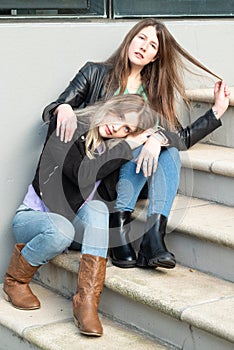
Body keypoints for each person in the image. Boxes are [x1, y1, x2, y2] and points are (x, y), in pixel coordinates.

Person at [42, 18, 230, 269]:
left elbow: (180, 139)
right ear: (130, 39)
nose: (144, 46)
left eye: (153, 46)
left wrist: (215, 112)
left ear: (155, 58)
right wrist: (62, 106)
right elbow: (54, 112)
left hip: (133, 172)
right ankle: (119, 229)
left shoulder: (153, 94)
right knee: (146, 143)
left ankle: (153, 238)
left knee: (168, 149)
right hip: (99, 173)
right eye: (141, 38)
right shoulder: (94, 73)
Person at [3, 94, 158, 337]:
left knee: (97, 209)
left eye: (126, 128)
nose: (116, 127)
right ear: (110, 107)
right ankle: (15, 281)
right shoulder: (68, 126)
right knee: (61, 229)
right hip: (33, 218)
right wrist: (128, 146)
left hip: (73, 224)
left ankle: (86, 303)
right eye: (119, 117)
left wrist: (155, 141)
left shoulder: (112, 151)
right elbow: (82, 174)